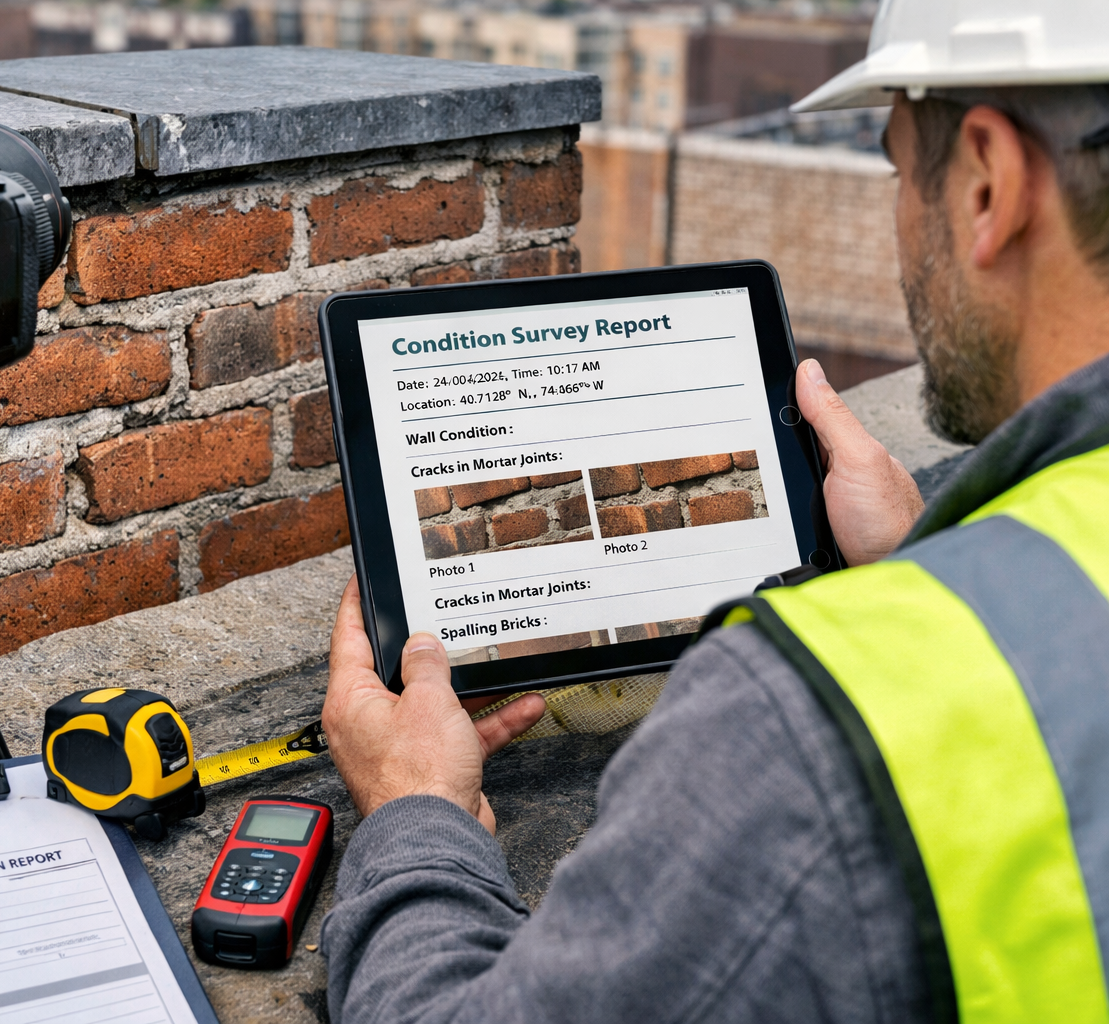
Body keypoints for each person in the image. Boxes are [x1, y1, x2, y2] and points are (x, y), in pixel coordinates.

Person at [317, 2, 1109, 1020]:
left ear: (989, 182)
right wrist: (917, 567)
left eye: (901, 169)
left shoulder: (798, 723)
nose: (903, 221)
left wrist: (414, 811)